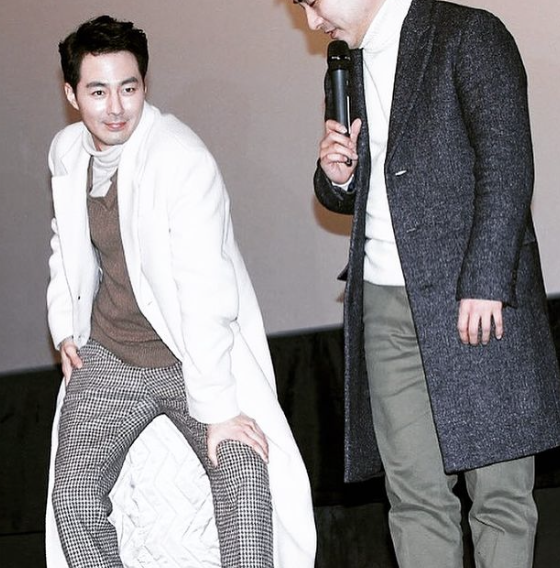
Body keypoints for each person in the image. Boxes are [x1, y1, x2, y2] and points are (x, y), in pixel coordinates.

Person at [293, 0, 560, 566]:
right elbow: (370, 184)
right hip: (384, 303)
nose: (312, 23)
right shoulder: (346, 66)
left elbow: (507, 162)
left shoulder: (467, 34)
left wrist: (487, 279)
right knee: (414, 499)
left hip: (474, 297)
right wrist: (337, 177)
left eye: (312, 3)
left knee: (500, 498)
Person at [46, 15, 315, 568]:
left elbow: (206, 289)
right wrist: (64, 327)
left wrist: (218, 408)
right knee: (71, 497)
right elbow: (63, 243)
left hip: (186, 355)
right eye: (98, 91)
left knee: (243, 470)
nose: (115, 108)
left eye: (129, 88)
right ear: (72, 95)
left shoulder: (180, 158)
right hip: (112, 354)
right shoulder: (67, 151)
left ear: (145, 85)